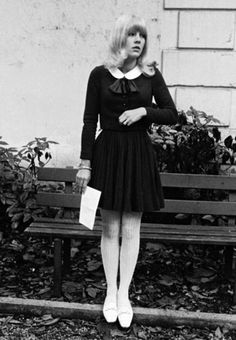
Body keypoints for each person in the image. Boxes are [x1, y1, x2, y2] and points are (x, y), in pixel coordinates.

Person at [76, 14, 177, 328]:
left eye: (142, 36)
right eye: (133, 34)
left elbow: (172, 114)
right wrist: (84, 164)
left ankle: (124, 294)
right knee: (109, 228)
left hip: (137, 154)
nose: (139, 40)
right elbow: (89, 121)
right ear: (120, 37)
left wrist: (144, 110)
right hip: (107, 153)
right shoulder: (99, 75)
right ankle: (109, 292)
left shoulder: (150, 74)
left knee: (131, 228)